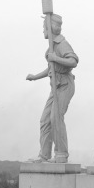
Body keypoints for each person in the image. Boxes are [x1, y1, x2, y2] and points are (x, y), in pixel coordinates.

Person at [26, 14, 78, 163]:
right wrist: (35, 77)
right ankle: (44, 155)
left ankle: (61, 154)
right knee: (45, 120)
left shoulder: (61, 43)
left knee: (56, 118)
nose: (43, 30)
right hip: (55, 86)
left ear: (51, 28)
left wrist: (56, 58)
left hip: (65, 85)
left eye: (44, 27)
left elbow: (73, 61)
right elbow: (51, 68)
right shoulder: (52, 45)